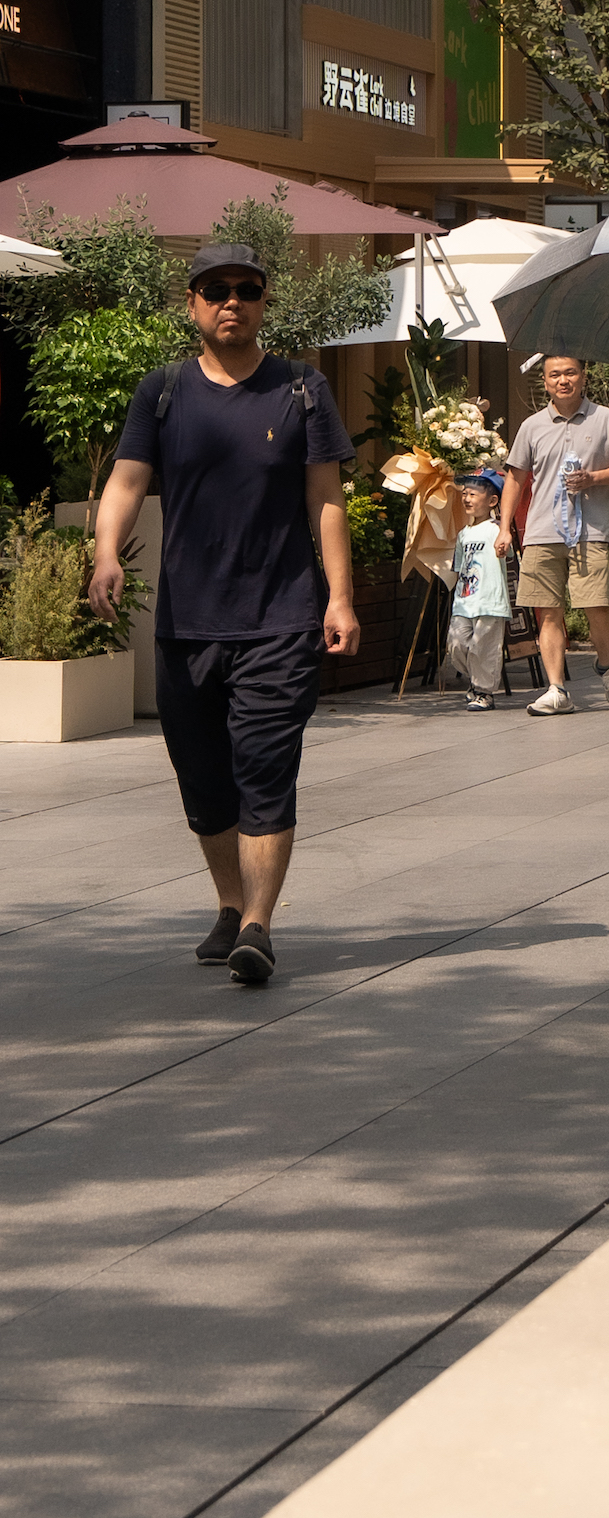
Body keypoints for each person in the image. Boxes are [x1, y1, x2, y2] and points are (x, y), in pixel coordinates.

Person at [87, 241, 359, 990]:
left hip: (281, 616)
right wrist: (106, 551)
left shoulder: (300, 388)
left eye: (246, 289)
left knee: (265, 772)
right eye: (215, 290)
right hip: (187, 622)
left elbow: (325, 500)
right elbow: (127, 480)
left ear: (264, 301)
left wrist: (338, 596)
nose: (230, 300)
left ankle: (257, 927)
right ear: (193, 304)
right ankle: (229, 905)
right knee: (204, 782)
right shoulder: (164, 391)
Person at [497, 351, 609, 715]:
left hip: (589, 531)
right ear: (545, 383)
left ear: (582, 377)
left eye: (570, 373)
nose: (563, 380)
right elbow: (515, 478)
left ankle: (606, 665)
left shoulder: (605, 419)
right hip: (542, 531)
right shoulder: (531, 426)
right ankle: (557, 688)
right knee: (548, 611)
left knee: (597, 605)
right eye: (555, 375)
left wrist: (594, 478)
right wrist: (504, 528)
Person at [448, 466, 512, 706]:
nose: (466, 498)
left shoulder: (496, 529)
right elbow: (459, 567)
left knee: (484, 648)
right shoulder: (463, 533)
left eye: (473, 494)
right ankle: (476, 681)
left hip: (490, 602)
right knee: (456, 645)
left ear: (492, 500)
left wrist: (503, 547)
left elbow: (507, 552)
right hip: (464, 601)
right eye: (465, 493)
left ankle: (484, 692)